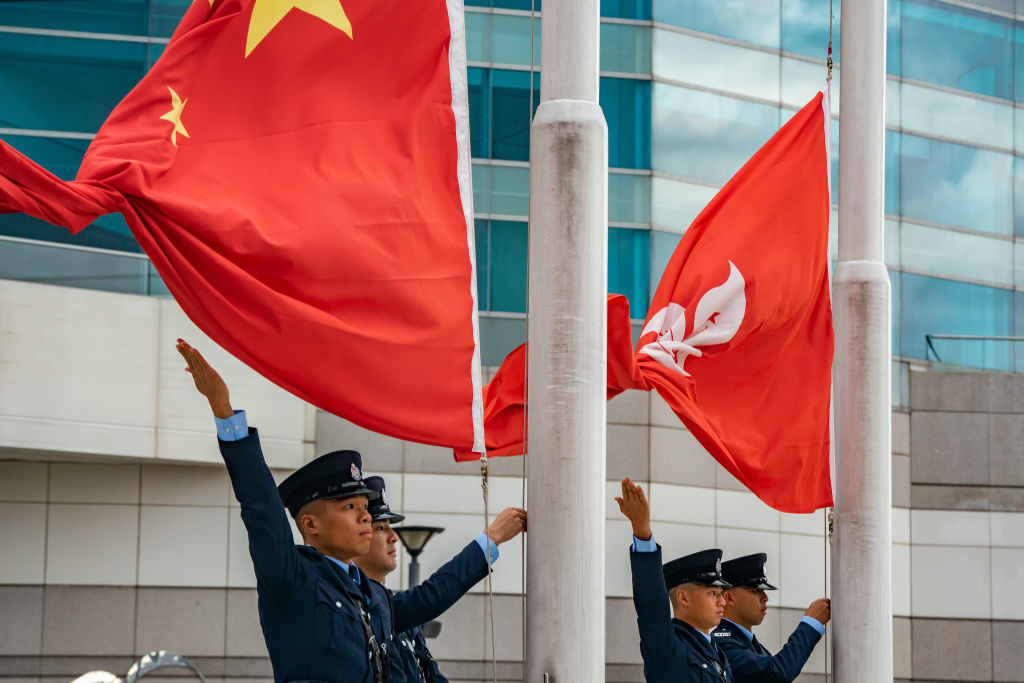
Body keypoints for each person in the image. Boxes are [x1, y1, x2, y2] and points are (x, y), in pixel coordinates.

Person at [177, 338, 388, 683]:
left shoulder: (370, 593)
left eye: (365, 507)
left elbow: (428, 599)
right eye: (350, 507)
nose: (366, 517)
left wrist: (489, 545)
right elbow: (262, 509)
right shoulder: (294, 578)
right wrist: (224, 410)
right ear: (310, 523)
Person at [353, 476, 526, 682]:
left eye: (390, 526)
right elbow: (430, 595)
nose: (394, 537)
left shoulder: (396, 613)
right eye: (380, 528)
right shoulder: (360, 610)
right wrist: (491, 538)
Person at [616, 477, 734, 683]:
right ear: (683, 597)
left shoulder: (715, 651)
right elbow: (652, 604)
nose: (721, 601)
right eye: (712, 593)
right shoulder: (667, 647)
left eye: (721, 594)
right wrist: (642, 532)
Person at [712, 554, 829, 682]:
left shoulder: (749, 643)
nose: (765, 597)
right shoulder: (722, 644)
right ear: (729, 598)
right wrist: (810, 624)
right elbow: (776, 673)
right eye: (756, 590)